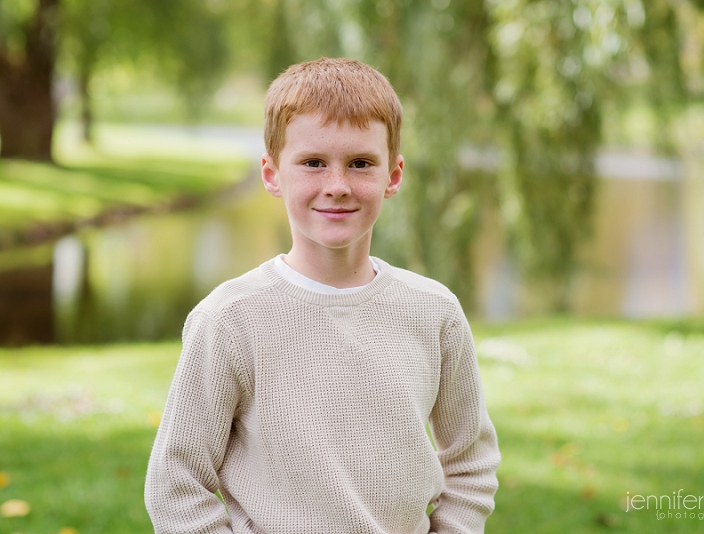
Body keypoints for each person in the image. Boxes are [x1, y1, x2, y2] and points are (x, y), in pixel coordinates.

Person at [144, 57, 500, 534]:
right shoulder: (229, 321)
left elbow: (470, 462)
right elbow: (175, 483)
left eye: (360, 164)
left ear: (393, 176)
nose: (337, 186)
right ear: (272, 174)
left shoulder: (435, 313)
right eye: (313, 163)